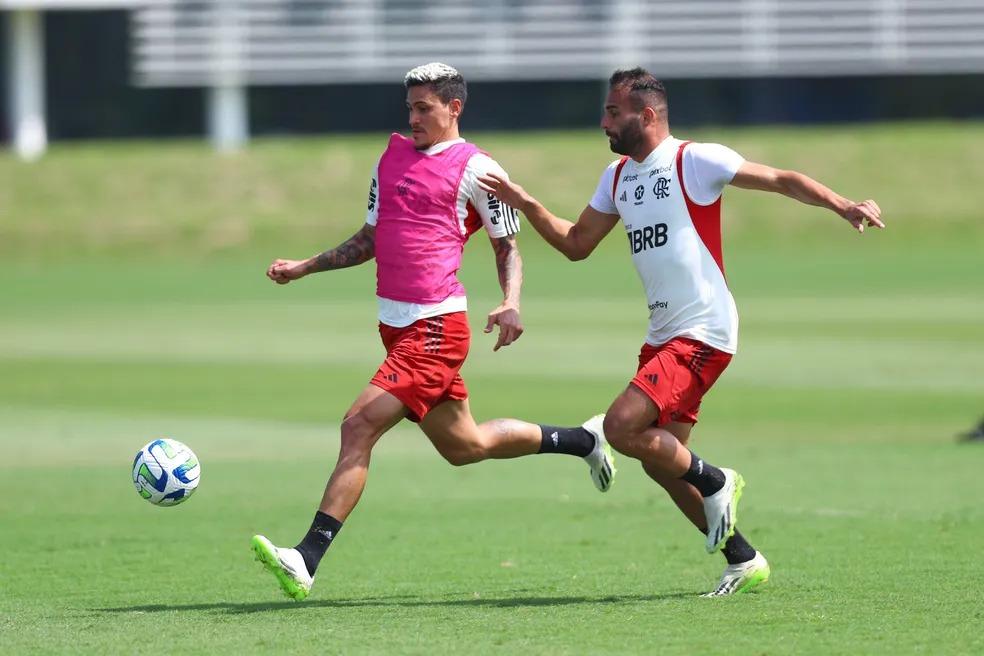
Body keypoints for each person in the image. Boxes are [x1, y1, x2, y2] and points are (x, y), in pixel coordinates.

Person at [479, 67, 885, 596]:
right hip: (664, 333)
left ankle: (718, 479)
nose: (604, 121)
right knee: (661, 459)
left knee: (624, 429)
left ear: (645, 115)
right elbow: (577, 243)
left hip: (705, 329)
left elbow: (782, 179)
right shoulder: (618, 177)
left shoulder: (694, 160)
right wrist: (527, 203)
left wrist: (842, 204)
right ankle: (744, 558)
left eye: (612, 112)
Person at [251, 63, 617, 601]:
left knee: (358, 427)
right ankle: (584, 439)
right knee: (465, 445)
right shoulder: (391, 157)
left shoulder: (478, 169)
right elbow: (370, 238)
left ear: (455, 108)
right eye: (410, 108)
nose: (414, 117)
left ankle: (306, 558)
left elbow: (506, 245)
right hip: (396, 330)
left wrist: (511, 301)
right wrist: (306, 265)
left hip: (436, 329)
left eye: (425, 108)